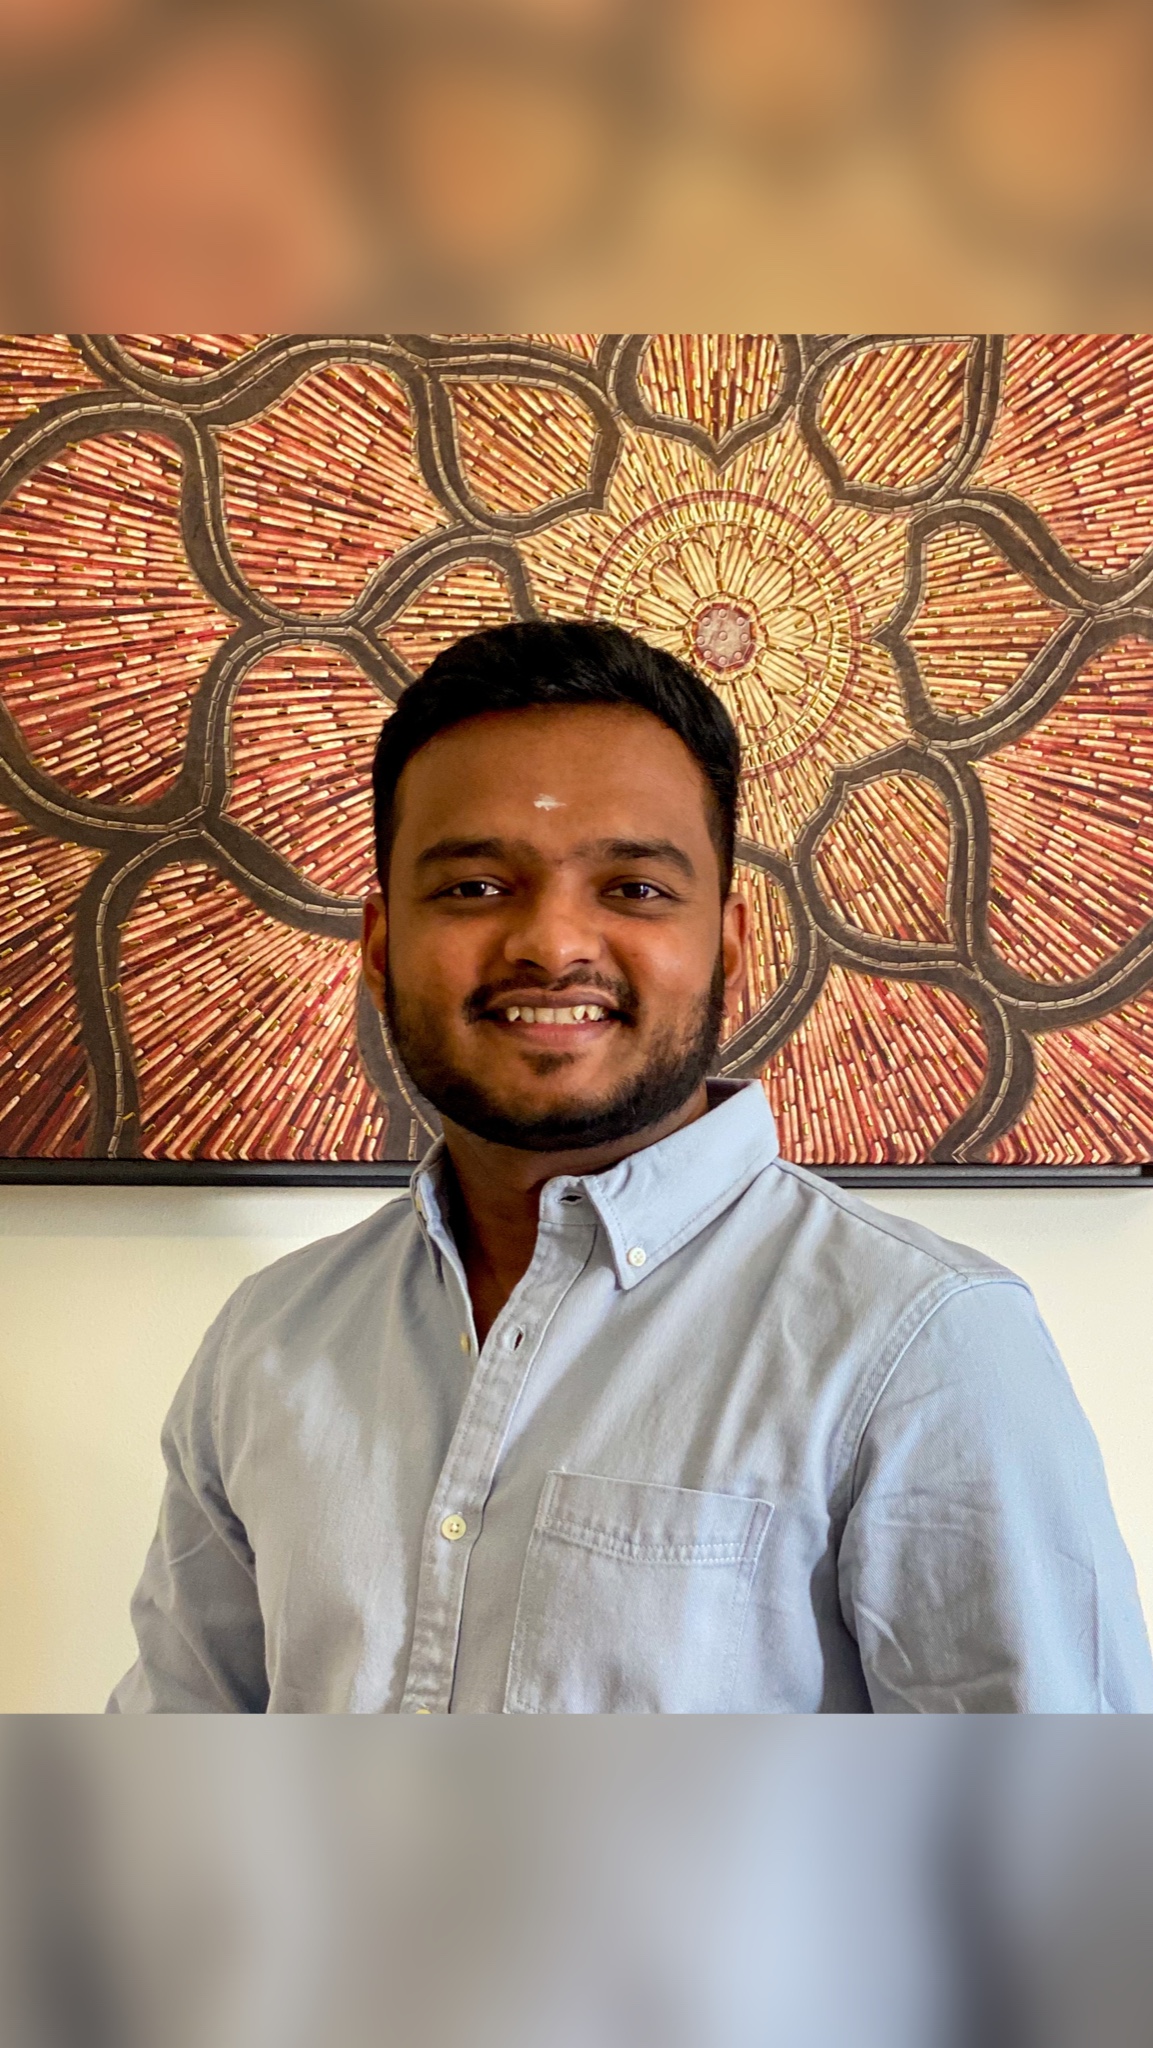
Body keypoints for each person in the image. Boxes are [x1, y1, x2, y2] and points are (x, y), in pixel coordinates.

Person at [110, 620, 1153, 1713]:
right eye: (473, 887)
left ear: (729, 942)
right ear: (378, 944)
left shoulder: (920, 1343)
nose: (552, 943)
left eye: (635, 889)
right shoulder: (269, 1341)